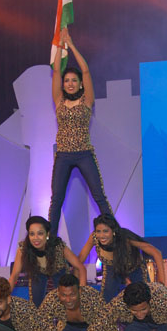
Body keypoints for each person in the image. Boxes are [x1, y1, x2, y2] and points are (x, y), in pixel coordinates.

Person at [48, 26, 113, 235]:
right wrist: (60, 45)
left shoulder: (87, 101)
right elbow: (56, 71)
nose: (69, 83)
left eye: (74, 81)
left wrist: (71, 45)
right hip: (63, 155)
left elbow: (85, 71)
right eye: (67, 81)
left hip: (84, 154)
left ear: (80, 84)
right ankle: (51, 243)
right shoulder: (59, 100)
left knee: (99, 196)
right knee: (56, 200)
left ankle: (116, 236)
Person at [78, 213, 166, 303]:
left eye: (105, 231)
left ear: (113, 231)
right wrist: (76, 280)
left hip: (135, 269)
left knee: (143, 298)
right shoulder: (94, 238)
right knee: (106, 301)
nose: (101, 235)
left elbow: (156, 253)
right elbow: (80, 259)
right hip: (111, 270)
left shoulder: (125, 238)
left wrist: (162, 282)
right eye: (98, 231)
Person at [8, 216, 86, 307]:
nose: (35, 238)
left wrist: (82, 292)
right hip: (38, 273)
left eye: (40, 233)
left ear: (47, 234)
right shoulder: (23, 249)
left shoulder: (58, 246)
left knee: (64, 304)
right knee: (36, 305)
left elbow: (81, 268)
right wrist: (6, 295)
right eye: (32, 234)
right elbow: (14, 275)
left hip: (59, 272)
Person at [38, 273, 119, 331]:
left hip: (95, 326)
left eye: (72, 295)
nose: (68, 300)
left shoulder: (92, 297)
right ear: (58, 292)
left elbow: (108, 324)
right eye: (64, 295)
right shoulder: (51, 299)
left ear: (79, 291)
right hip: (68, 328)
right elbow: (42, 322)